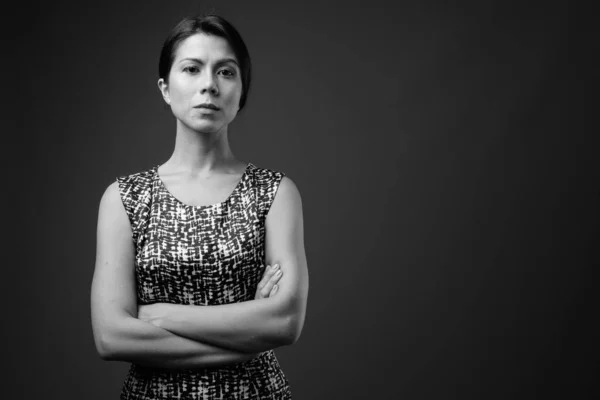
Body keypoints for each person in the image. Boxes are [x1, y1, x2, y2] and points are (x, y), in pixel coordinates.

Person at [90, 14, 309, 399]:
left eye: (226, 72)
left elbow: (286, 322)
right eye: (191, 69)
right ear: (165, 88)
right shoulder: (125, 198)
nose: (209, 85)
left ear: (241, 91)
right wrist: (248, 335)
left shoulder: (275, 192)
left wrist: (161, 315)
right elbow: (111, 336)